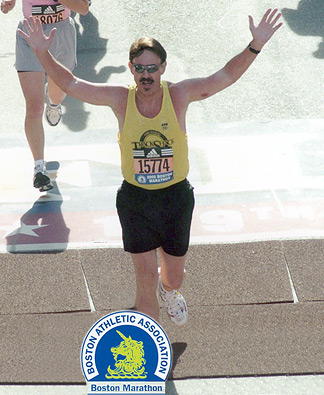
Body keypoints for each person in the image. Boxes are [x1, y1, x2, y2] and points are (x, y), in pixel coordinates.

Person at [18, 8, 282, 325]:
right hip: (136, 201)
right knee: (143, 280)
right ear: (130, 69)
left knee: (173, 277)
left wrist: (255, 46)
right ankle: (150, 348)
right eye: (140, 68)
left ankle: (168, 291)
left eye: (152, 68)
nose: (146, 75)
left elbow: (222, 78)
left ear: (163, 68)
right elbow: (72, 84)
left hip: (176, 199)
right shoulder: (120, 99)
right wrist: (42, 54)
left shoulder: (180, 95)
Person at [1, 0, 89, 192]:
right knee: (34, 107)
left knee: (57, 94)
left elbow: (83, 8)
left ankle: (55, 104)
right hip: (30, 32)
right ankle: (39, 168)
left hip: (61, 32)